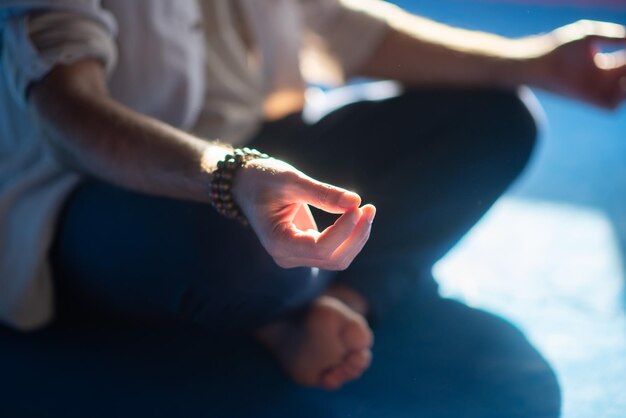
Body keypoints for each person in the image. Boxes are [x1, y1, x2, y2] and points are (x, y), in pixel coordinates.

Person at [0, 0, 624, 391]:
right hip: (105, 187)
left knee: (500, 119)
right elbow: (68, 115)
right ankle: (282, 309)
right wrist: (232, 178)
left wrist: (532, 62)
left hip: (261, 148)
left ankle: (342, 300)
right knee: (248, 255)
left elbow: (346, 28)